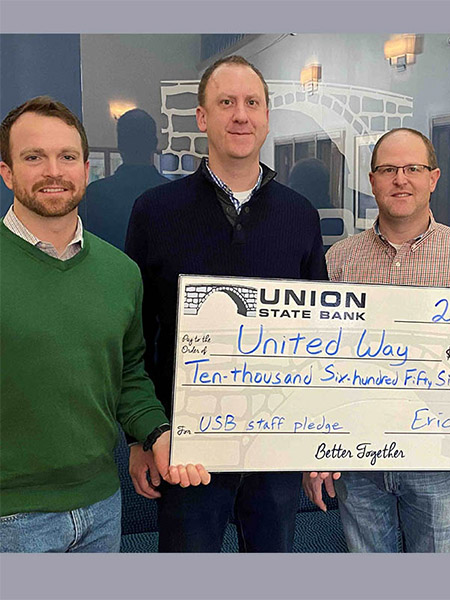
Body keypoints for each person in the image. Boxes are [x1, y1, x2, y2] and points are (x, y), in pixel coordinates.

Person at [125, 56, 327, 552]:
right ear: (202, 117)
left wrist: (321, 434)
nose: (241, 115)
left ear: (266, 116)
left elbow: (322, 335)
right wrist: (140, 437)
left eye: (252, 103)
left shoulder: (300, 215)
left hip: (277, 442)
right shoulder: (155, 212)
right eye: (226, 102)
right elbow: (137, 335)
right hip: (186, 444)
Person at [0, 96, 209, 553]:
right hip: (9, 518)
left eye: (67, 157)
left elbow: (129, 375)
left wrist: (157, 434)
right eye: (34, 157)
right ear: (7, 172)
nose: (54, 170)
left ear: (87, 169)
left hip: (101, 505)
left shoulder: (120, 272)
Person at [303, 127, 450, 552]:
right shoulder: (338, 260)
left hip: (440, 459)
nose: (400, 179)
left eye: (413, 168)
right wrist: (315, 450)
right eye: (388, 169)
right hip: (356, 458)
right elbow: (318, 363)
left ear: (433, 178)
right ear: (372, 180)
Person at [84, 108, 169, 250]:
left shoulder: (94, 195)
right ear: (154, 144)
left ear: (120, 145)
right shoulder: (172, 195)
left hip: (108, 271)